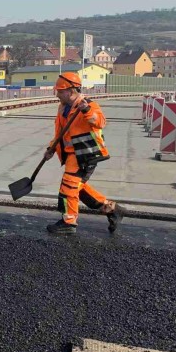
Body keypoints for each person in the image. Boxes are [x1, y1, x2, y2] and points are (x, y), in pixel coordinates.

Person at [44, 72, 125, 235]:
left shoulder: (87, 104)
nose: (57, 94)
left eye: (60, 91)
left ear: (71, 91)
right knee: (76, 189)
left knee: (69, 187)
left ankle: (69, 222)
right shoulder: (63, 108)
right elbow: (60, 133)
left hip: (85, 155)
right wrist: (51, 148)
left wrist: (86, 110)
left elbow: (101, 122)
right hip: (72, 155)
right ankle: (112, 209)